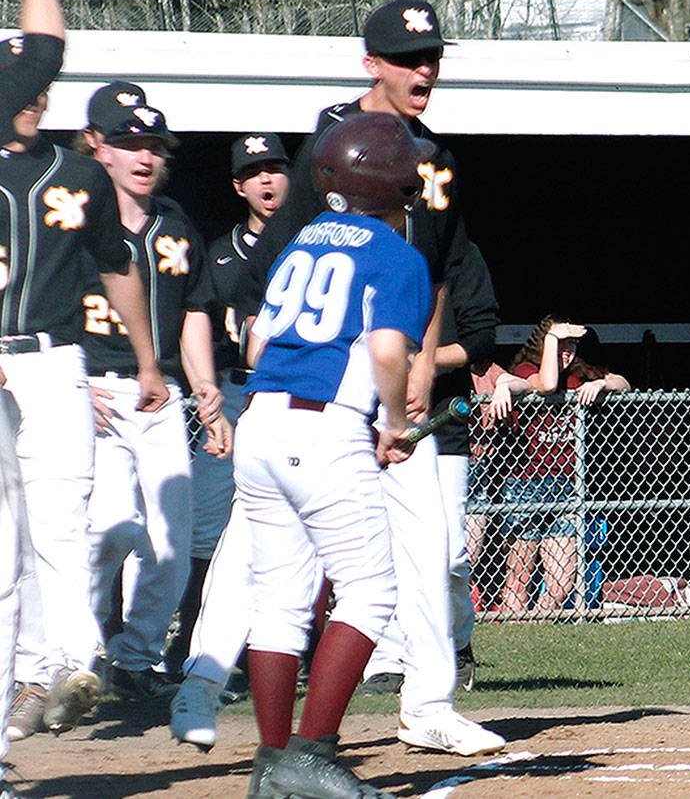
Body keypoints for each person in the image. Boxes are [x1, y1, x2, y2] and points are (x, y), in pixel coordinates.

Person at [0, 0, 171, 742]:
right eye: (17, 84)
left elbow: (119, 266)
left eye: (34, 85)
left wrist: (145, 357)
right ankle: (11, 719)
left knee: (62, 523)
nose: (30, 94)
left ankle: (70, 666)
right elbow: (46, 46)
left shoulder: (77, 173)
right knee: (5, 553)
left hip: (57, 361)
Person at [238, 112, 429, 798]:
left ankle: (269, 764)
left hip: (258, 423)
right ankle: (312, 754)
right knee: (370, 591)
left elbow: (259, 344)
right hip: (323, 431)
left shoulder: (298, 243)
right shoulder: (396, 254)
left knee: (280, 602)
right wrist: (397, 422)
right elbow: (385, 351)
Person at [81, 102, 232, 699]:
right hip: (94, 387)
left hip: (161, 394)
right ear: (99, 147)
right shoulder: (73, 216)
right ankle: (74, 648)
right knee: (113, 529)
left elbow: (194, 304)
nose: (146, 156)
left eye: (156, 146)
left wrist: (206, 387)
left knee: (172, 541)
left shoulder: (173, 222)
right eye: (131, 143)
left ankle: (133, 662)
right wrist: (71, 382)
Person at [164, 132, 291, 680]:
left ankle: (288, 646)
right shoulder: (218, 252)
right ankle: (193, 641)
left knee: (294, 523)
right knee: (209, 525)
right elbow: (197, 320)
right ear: (238, 186)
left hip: (298, 399)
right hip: (238, 394)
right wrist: (208, 397)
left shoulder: (313, 242)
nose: (267, 179)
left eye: (276, 168)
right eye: (255, 171)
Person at [361, 241, 499, 695]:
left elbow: (481, 340)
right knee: (383, 548)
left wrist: (423, 363)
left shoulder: (458, 253)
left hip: (441, 421)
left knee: (449, 555)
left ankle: (457, 642)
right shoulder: (368, 244)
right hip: (372, 416)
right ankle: (387, 658)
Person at [496, 319, 629, 614]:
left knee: (561, 584)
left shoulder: (577, 376)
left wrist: (599, 384)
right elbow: (544, 385)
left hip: (567, 484)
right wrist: (503, 385)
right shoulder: (528, 371)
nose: (567, 352)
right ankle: (515, 632)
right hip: (526, 485)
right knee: (520, 575)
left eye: (571, 346)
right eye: (560, 345)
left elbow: (624, 384)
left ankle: (535, 629)